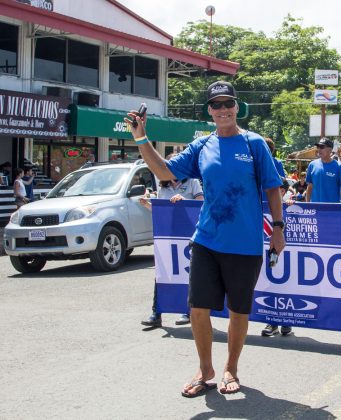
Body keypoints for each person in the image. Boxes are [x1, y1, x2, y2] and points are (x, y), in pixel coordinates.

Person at [125, 80, 284, 397]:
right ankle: (206, 369)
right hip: (207, 241)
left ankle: (231, 369)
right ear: (209, 111)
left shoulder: (254, 145)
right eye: (216, 105)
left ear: (237, 107)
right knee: (198, 309)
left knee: (239, 312)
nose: (223, 109)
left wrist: (278, 228)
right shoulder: (201, 146)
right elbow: (165, 172)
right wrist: (140, 138)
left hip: (245, 244)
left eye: (228, 103)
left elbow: (272, 188)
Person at [140, 174, 204, 328]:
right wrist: (147, 205)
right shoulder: (163, 186)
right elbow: (161, 210)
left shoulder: (192, 182)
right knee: (162, 274)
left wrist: (183, 201)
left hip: (188, 234)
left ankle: (187, 311)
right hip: (168, 236)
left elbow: (201, 203)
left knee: (188, 274)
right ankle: (156, 313)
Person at [261, 179, 296, 337]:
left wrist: (290, 204)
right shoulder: (262, 204)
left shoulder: (290, 206)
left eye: (276, 190)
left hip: (283, 252)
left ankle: (286, 321)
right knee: (271, 284)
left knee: (284, 286)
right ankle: (272, 322)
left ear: (282, 192)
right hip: (265, 251)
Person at [305, 137, 341, 203]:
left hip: (332, 210)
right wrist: (307, 205)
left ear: (330, 150)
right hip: (315, 209)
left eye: (322, 147)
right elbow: (309, 187)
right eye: (318, 147)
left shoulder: (338, 167)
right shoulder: (312, 165)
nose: (319, 149)